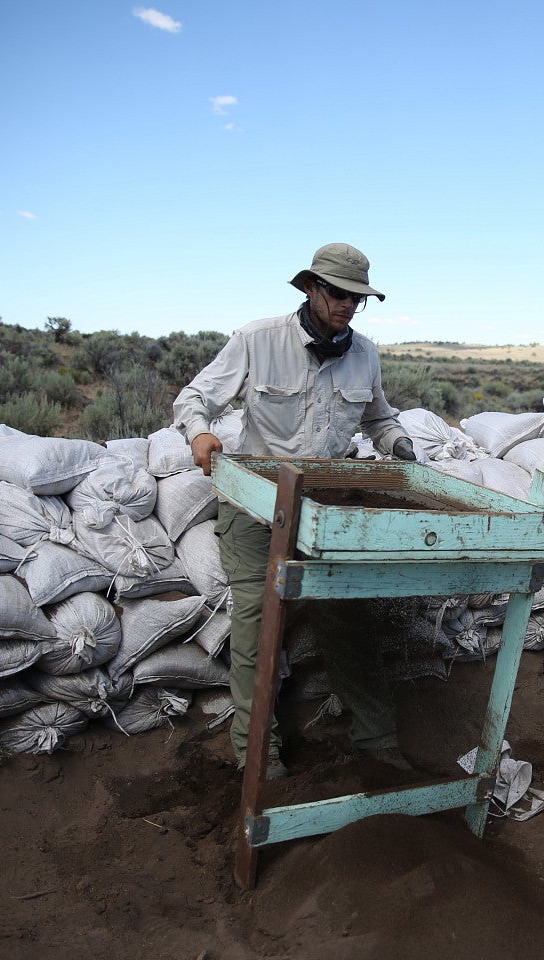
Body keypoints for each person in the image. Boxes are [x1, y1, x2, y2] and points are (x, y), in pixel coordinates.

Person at [173, 242, 417, 778]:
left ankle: (376, 742)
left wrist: (399, 446)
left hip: (323, 501)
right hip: (256, 498)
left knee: (349, 612)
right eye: (337, 293)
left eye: (357, 297)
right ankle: (257, 749)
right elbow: (193, 398)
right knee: (259, 617)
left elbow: (379, 418)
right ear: (310, 288)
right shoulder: (259, 340)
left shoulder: (365, 355)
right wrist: (201, 434)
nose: (347, 305)